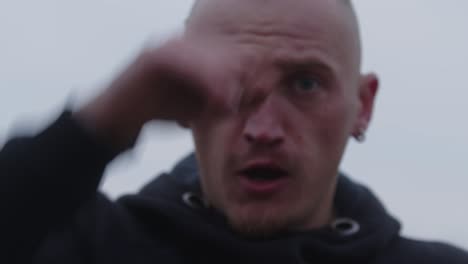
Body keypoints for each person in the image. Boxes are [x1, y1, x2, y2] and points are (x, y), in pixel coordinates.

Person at [1, 0, 467, 263]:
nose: (263, 130)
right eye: (233, 84)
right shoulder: (91, 247)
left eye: (305, 83)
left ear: (361, 107)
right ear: (181, 99)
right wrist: (101, 124)